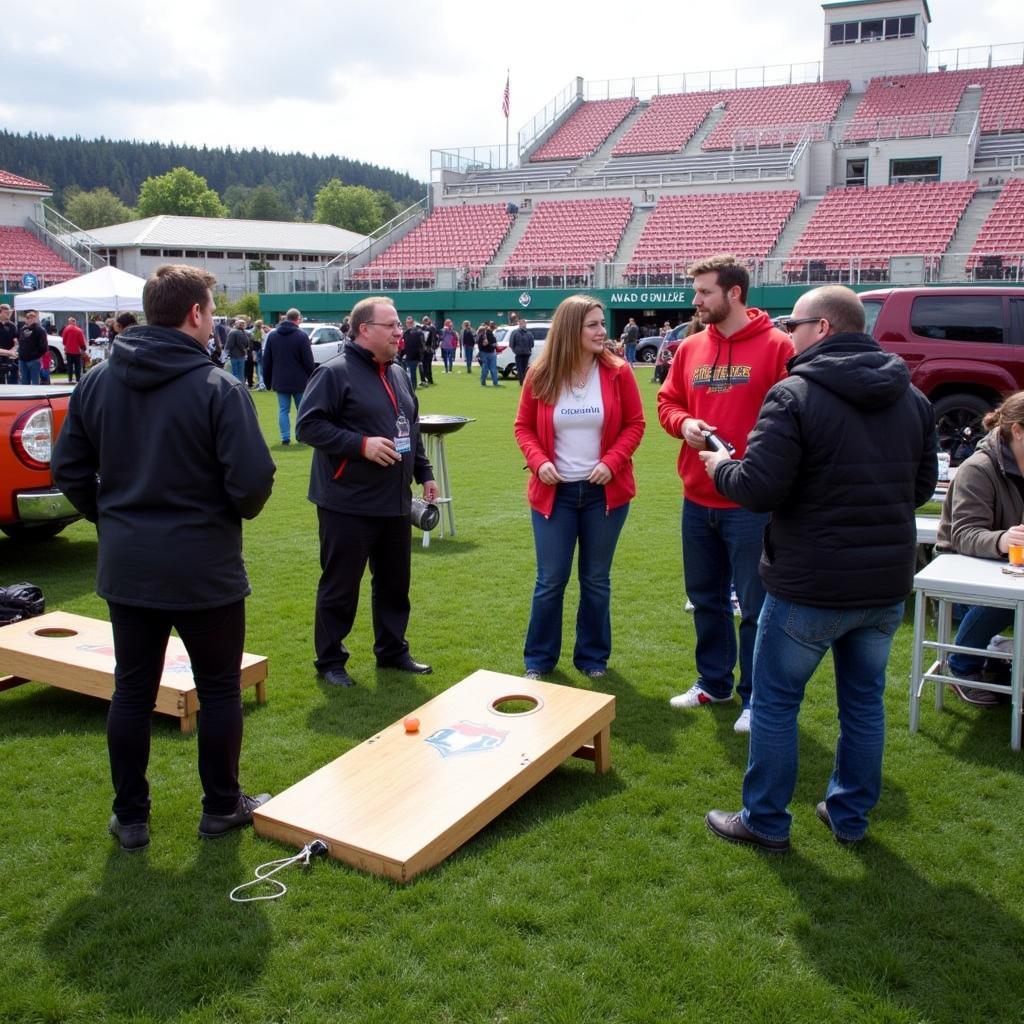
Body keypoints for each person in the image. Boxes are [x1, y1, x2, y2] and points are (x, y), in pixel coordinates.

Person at [700, 285, 937, 851]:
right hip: (881, 586)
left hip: (810, 584)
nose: (790, 334)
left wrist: (719, 467)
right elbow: (922, 487)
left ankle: (765, 820)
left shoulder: (794, 394)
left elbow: (757, 488)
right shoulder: (913, 399)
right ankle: (849, 815)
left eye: (796, 323)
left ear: (823, 329)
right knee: (863, 701)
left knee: (778, 702)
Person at [52, 263, 276, 853]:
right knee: (218, 689)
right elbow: (253, 482)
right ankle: (219, 807)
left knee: (133, 688)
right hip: (200, 563)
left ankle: (132, 816)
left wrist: (116, 519)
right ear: (196, 314)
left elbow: (68, 471)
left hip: (135, 562)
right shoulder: (215, 387)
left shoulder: (98, 381)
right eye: (209, 309)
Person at [657, 254, 792, 733]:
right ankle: (713, 681)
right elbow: (667, 402)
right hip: (697, 496)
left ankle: (758, 699)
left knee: (756, 608)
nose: (695, 301)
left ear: (734, 293)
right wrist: (685, 422)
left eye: (704, 292)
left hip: (751, 501)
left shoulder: (778, 346)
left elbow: (795, 415)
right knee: (705, 598)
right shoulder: (691, 348)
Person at [296, 296, 439, 689]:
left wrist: (424, 473)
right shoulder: (334, 373)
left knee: (395, 584)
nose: (399, 331)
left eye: (398, 325)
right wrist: (361, 445)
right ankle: (330, 661)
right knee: (341, 586)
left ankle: (392, 652)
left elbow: (409, 429)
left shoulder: (397, 374)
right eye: (391, 325)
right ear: (364, 330)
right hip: (347, 501)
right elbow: (307, 427)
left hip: (393, 502)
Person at [514, 295, 645, 678]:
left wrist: (611, 462)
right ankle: (538, 661)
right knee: (550, 580)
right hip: (556, 496)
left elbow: (635, 424)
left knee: (596, 580)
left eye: (602, 323)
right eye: (593, 325)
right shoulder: (540, 374)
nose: (602, 331)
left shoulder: (619, 372)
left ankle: (592, 659)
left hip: (605, 495)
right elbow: (523, 427)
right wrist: (539, 463)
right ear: (572, 329)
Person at [935, 393, 1024, 707]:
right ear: (1018, 430)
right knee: (1005, 596)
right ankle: (961, 667)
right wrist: (1003, 540)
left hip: (1009, 568)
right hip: (957, 569)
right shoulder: (979, 468)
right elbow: (964, 535)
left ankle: (999, 649)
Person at [262, 308, 314, 445]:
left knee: (283, 410)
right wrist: (312, 377)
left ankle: (285, 437)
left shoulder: (272, 336)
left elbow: (267, 360)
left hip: (280, 380)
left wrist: (267, 381)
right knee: (301, 410)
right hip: (300, 380)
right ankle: (300, 436)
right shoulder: (302, 336)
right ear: (298, 318)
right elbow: (308, 361)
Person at [17, 309, 49, 385]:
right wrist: (20, 354)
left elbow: (44, 347)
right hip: (23, 360)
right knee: (24, 383)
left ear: (35, 319)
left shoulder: (41, 330)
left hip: (34, 360)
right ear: (26, 319)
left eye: (32, 318)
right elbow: (20, 342)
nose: (30, 320)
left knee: (35, 383)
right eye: (28, 318)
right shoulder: (23, 329)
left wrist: (35, 356)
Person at [509, 318, 535, 387]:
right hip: (527, 353)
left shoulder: (514, 332)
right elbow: (532, 344)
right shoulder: (529, 333)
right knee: (525, 368)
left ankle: (522, 382)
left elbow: (511, 344)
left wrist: (515, 351)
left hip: (519, 353)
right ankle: (525, 382)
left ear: (519, 324)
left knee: (520, 368)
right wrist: (528, 349)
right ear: (525, 324)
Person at [61, 316, 87, 383]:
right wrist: (84, 348)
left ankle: (70, 379)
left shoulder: (66, 329)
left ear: (69, 322)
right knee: (77, 366)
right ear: (74, 322)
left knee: (69, 366)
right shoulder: (79, 330)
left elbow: (64, 341)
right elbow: (81, 341)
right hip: (77, 351)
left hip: (68, 350)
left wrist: (66, 345)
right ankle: (78, 379)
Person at [401, 316, 424, 391]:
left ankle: (413, 388)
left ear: (413, 323)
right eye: (408, 323)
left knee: (412, 373)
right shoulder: (406, 333)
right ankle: (410, 387)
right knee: (407, 373)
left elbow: (421, 345)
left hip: (414, 356)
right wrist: (402, 354)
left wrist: (420, 357)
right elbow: (404, 345)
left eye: (410, 322)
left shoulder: (418, 332)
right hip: (407, 356)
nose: (409, 324)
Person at [224, 318, 249, 382]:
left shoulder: (233, 332)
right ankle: (241, 386)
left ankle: (237, 386)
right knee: (240, 372)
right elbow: (247, 344)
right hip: (241, 355)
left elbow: (229, 344)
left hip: (234, 355)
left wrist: (225, 353)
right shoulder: (244, 333)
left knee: (235, 372)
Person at [0, 303, 19, 384]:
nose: (9, 314)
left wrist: (13, 350)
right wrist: (8, 352)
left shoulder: (12, 326)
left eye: (9, 312)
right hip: (3, 356)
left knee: (13, 383)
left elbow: (16, 342)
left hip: (10, 359)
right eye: (6, 312)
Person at [477, 321, 500, 387]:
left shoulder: (481, 335)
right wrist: (494, 345)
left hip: (484, 353)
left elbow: (482, 344)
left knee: (485, 368)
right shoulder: (490, 334)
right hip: (491, 353)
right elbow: (493, 344)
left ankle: (483, 383)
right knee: (493, 369)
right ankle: (495, 383)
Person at [420, 316, 438, 385]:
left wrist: (432, 348)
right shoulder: (422, 328)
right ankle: (424, 379)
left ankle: (429, 379)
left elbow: (434, 338)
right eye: (424, 320)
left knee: (428, 365)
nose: (425, 322)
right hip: (423, 349)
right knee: (423, 364)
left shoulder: (432, 328)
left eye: (426, 320)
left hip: (429, 348)